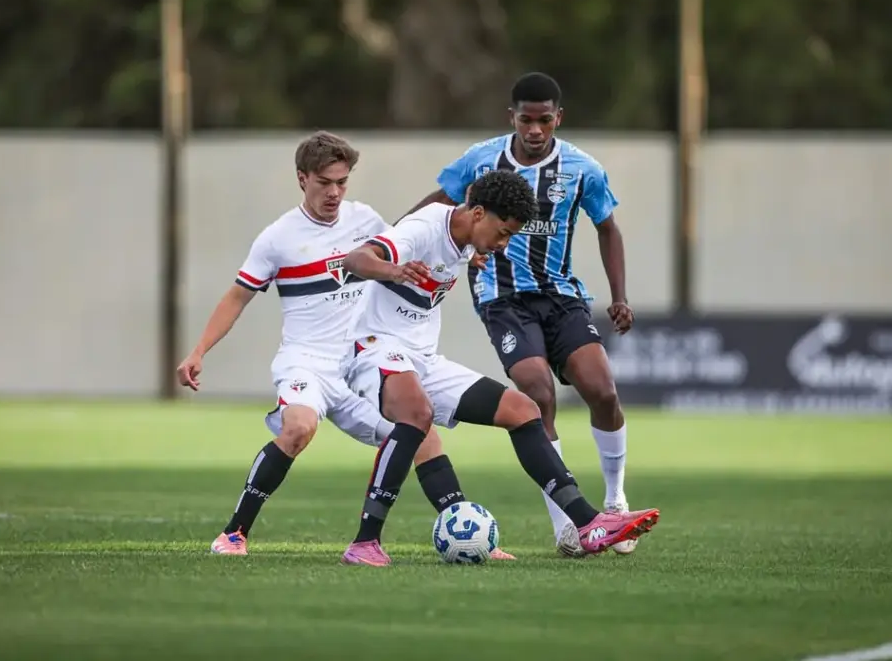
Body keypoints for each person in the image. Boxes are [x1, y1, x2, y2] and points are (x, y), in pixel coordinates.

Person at [176, 131, 513, 559]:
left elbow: (412, 242)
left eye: (342, 182)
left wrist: (468, 252)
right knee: (298, 427)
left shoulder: (366, 221)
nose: (334, 192)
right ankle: (234, 533)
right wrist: (198, 351)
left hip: (360, 358)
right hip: (307, 362)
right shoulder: (278, 238)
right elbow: (237, 296)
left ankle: (471, 535)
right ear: (302, 179)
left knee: (421, 434)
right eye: (324, 182)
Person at [337, 169, 659, 567]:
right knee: (416, 414)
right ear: (477, 212)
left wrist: (475, 252)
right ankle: (364, 542)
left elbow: (461, 249)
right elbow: (356, 259)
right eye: (503, 232)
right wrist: (393, 270)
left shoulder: (464, 237)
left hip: (420, 358)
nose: (505, 243)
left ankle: (588, 524)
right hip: (371, 348)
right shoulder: (421, 228)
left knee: (524, 411)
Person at [408, 72, 641, 557]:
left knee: (602, 389)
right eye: (526, 119)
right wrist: (395, 239)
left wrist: (619, 295)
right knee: (537, 394)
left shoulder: (582, 169)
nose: (535, 130)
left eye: (545, 120)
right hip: (502, 298)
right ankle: (568, 526)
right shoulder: (480, 159)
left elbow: (608, 228)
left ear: (559, 118)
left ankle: (615, 500)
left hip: (561, 297)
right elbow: (440, 204)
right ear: (510, 117)